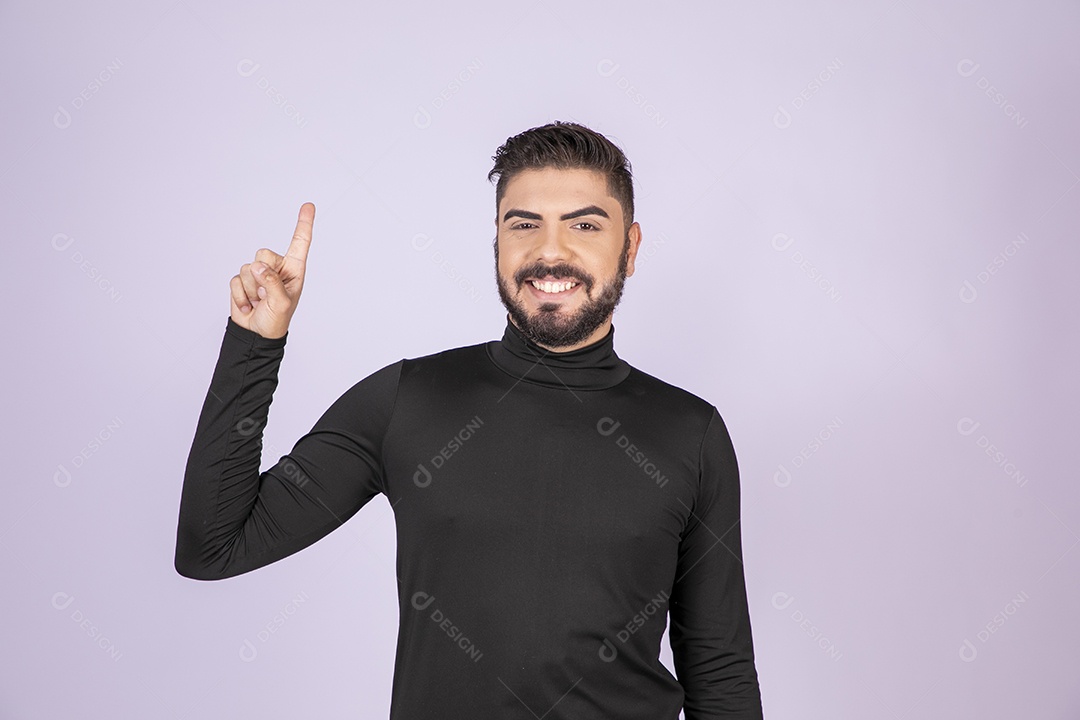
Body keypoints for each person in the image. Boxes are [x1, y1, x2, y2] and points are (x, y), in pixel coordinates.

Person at [174, 121, 764, 719]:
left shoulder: (691, 435)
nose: (551, 251)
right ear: (497, 243)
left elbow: (719, 672)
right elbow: (213, 546)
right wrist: (253, 345)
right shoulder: (410, 400)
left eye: (585, 225)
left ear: (630, 248)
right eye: (524, 224)